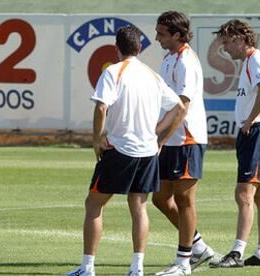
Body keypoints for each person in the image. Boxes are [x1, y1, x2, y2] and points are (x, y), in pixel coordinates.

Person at [65, 25, 185, 276]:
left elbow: (100, 108)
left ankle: (87, 269)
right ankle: (136, 268)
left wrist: (97, 139)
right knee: (139, 207)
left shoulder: (113, 72)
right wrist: (157, 134)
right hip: (147, 152)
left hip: (120, 149)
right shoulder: (152, 75)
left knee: (94, 204)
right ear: (139, 48)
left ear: (117, 48)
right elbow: (178, 107)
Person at [209, 19, 260, 269]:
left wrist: (250, 120)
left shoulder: (256, 59)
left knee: (244, 193)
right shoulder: (252, 61)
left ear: (241, 39)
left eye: (227, 42)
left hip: (258, 132)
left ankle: (237, 253)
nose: (225, 48)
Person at [152, 11, 214, 276]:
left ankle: (183, 262)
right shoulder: (169, 58)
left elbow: (182, 106)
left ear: (178, 34)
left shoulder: (186, 60)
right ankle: (198, 247)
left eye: (162, 33)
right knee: (160, 198)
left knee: (184, 199)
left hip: (186, 138)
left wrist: (160, 139)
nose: (156, 38)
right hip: (172, 140)